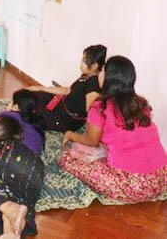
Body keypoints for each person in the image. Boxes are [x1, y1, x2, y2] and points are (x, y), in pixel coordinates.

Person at [58, 56, 167, 203]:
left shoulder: (99, 107)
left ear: (108, 78)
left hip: (133, 185)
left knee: (65, 158)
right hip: (162, 178)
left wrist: (70, 134)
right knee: (101, 151)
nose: (100, 73)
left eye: (102, 70)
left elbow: (91, 142)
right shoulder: (141, 104)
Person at [27, 44, 107, 132]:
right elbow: (67, 90)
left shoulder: (93, 86)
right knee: (31, 95)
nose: (81, 63)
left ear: (94, 66)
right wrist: (40, 88)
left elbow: (92, 113)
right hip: (60, 106)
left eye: (84, 61)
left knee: (31, 113)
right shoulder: (86, 76)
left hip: (65, 120)